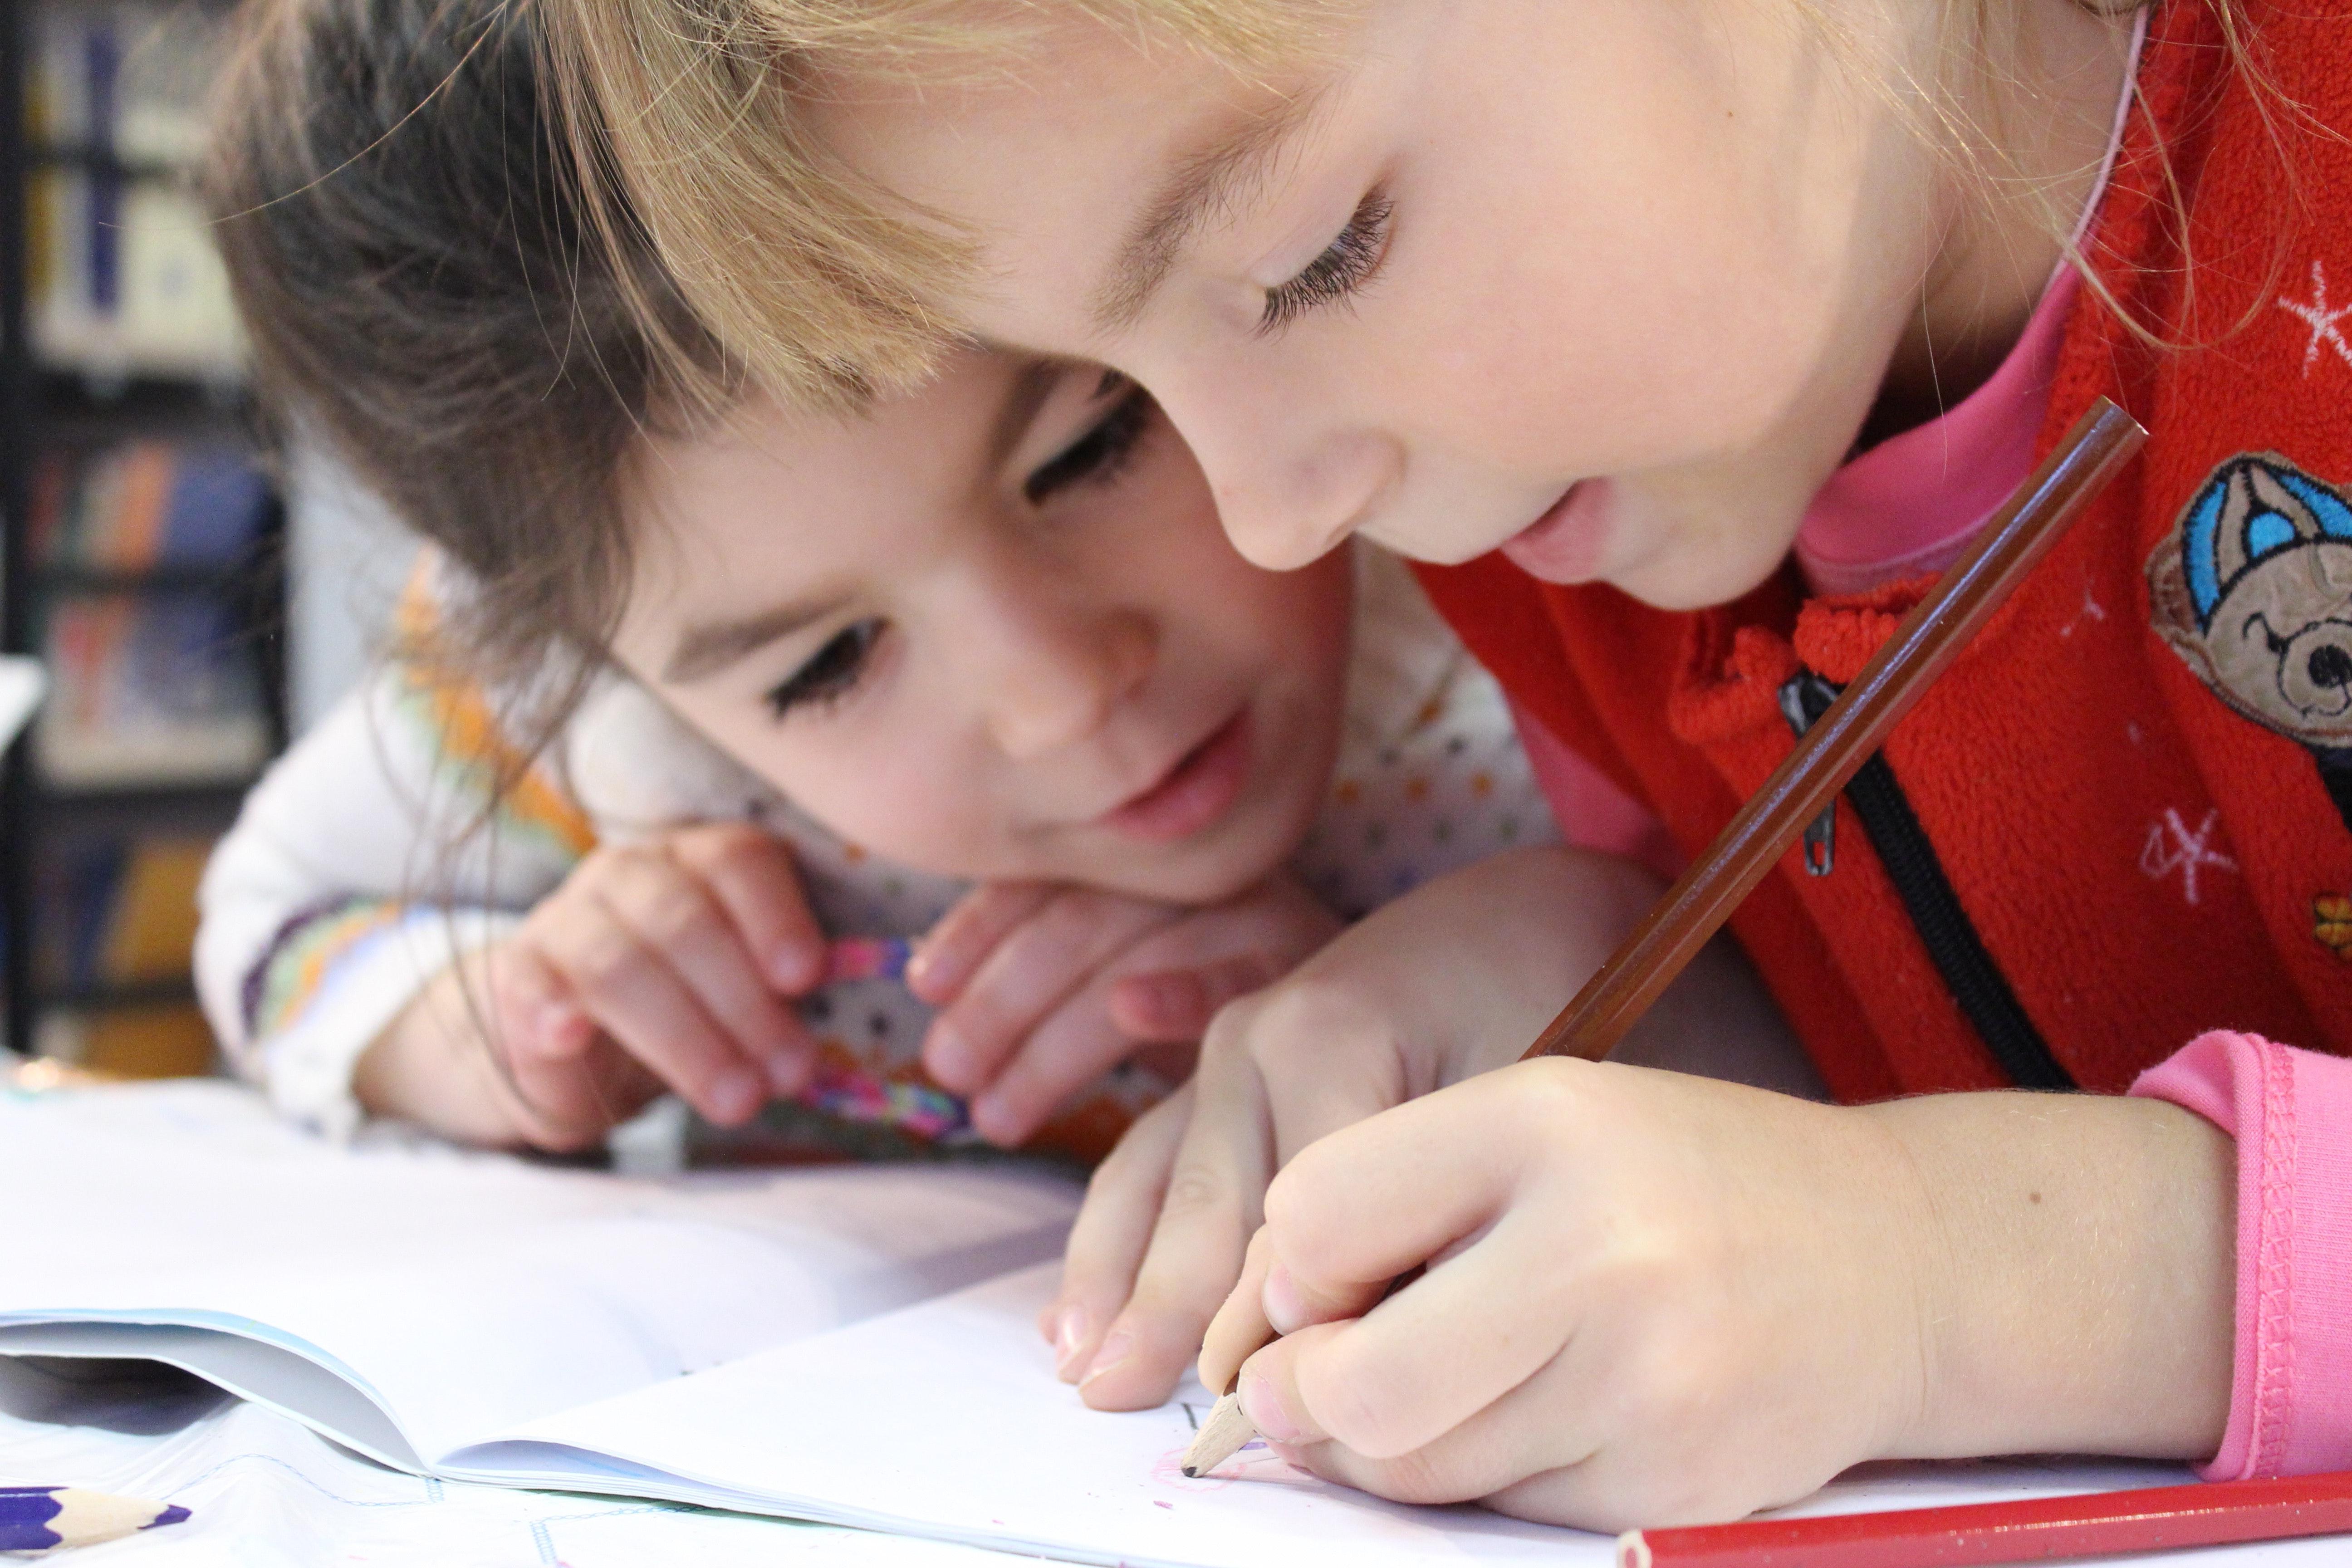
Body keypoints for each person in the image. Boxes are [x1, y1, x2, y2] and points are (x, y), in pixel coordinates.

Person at [533, 0, 2352, 1529]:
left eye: (1311, 256)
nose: (1266, 515)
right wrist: (1620, 976)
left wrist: (1956, 1280)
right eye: (1123, 382)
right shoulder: (1574, 526)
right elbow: (1975, 1036)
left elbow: (1965, 1205)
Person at [196, 0, 1793, 1194]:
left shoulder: (1518, 548)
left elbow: (1838, 1055)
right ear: (592, 665)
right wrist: (495, 1031)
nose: (1061, 691)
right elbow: (269, 923)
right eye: (825, 666)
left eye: (1093, 445)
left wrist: (1485, 988)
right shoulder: (603, 750)